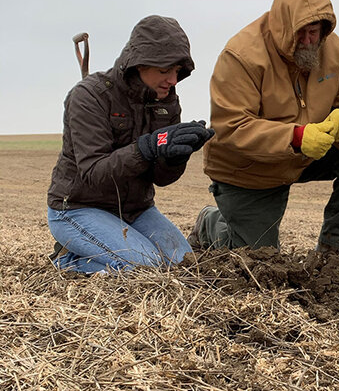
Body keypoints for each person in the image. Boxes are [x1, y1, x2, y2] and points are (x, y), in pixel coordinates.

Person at [191, 0, 339, 252]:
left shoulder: (333, 49)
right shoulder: (241, 55)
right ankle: (211, 224)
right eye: (299, 32)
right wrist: (295, 137)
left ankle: (338, 247)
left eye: (314, 31)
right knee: (259, 258)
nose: (307, 40)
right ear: (283, 26)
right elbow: (231, 127)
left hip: (305, 156)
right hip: (250, 169)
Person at [47, 15, 214, 274]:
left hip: (135, 210)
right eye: (164, 70)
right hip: (77, 208)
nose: (172, 80)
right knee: (145, 266)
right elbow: (93, 173)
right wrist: (146, 148)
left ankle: (104, 247)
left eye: (177, 72)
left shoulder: (166, 102)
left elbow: (160, 179)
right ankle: (69, 259)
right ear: (140, 64)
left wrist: (174, 158)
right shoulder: (89, 97)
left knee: (185, 266)